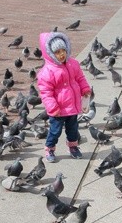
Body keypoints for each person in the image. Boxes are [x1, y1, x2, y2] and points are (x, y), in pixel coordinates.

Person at [36, 31, 92, 162]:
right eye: (57, 52)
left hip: (72, 106)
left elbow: (80, 78)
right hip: (58, 109)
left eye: (63, 50)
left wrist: (85, 89)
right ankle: (50, 148)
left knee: (73, 130)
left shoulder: (73, 64)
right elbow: (46, 92)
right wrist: (52, 107)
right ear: (50, 54)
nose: (61, 54)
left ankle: (73, 147)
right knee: (55, 131)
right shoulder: (47, 72)